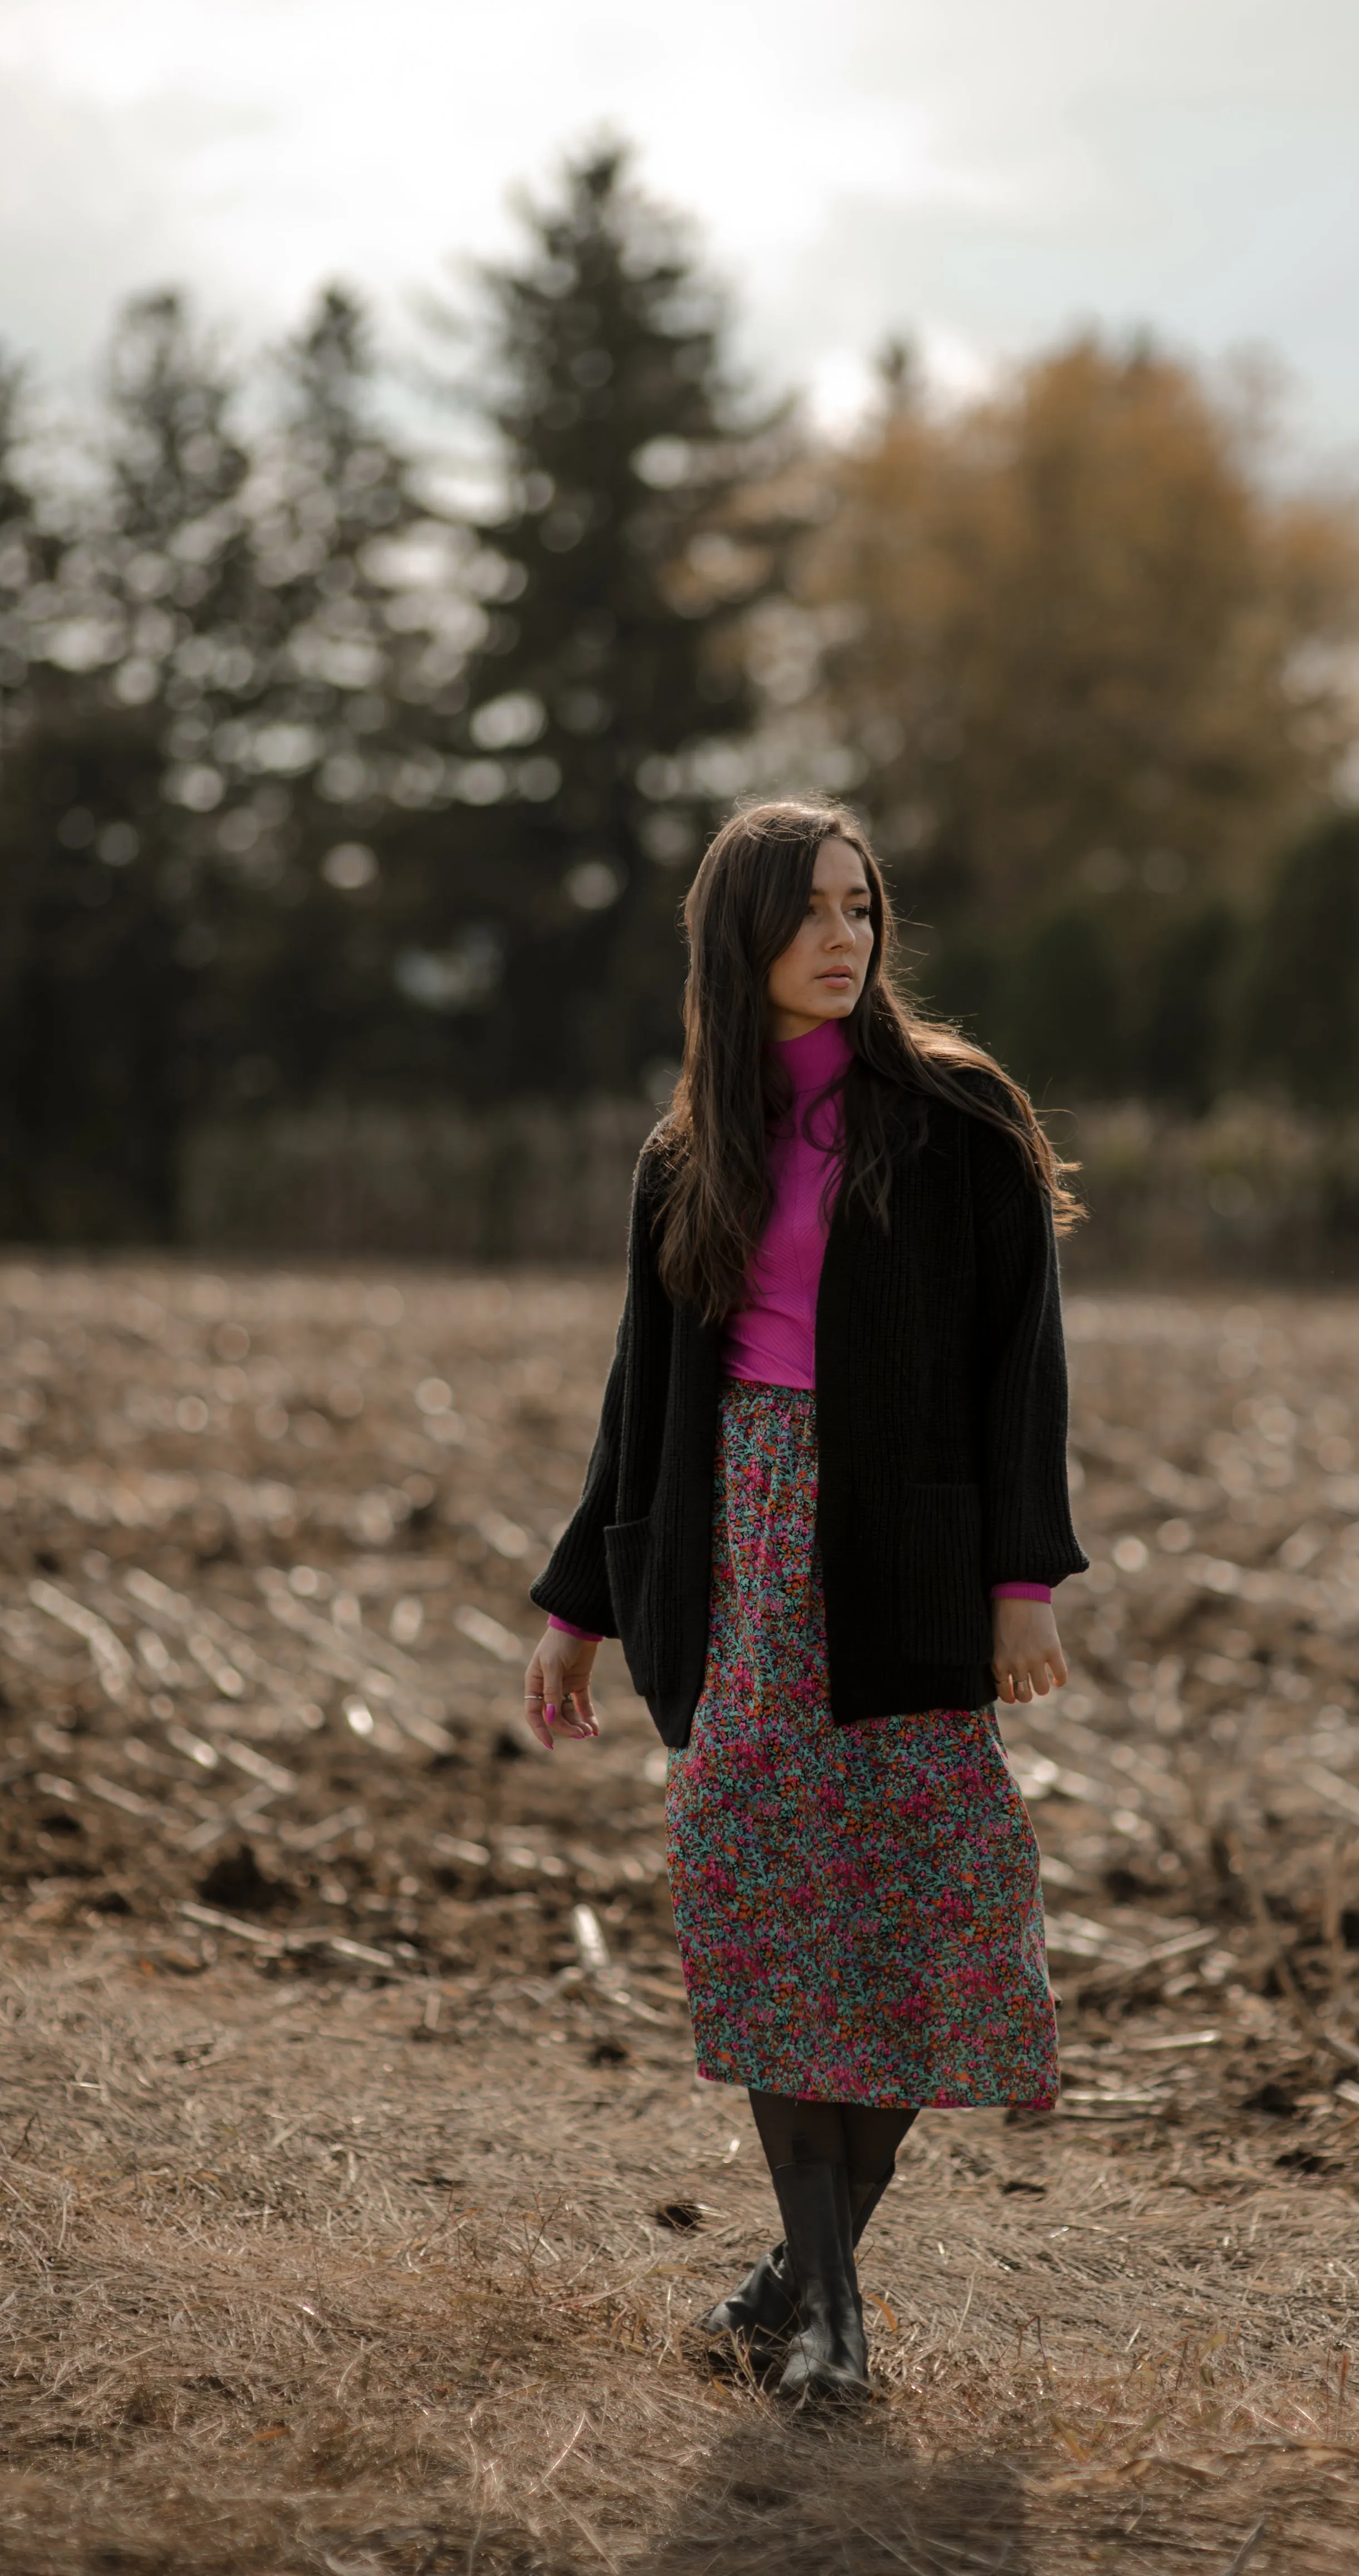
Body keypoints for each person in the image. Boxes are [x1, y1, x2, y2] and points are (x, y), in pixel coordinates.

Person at [522, 799, 1087, 2402]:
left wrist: (1023, 1580)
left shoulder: (959, 1118)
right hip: (741, 1556)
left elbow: (1020, 1365)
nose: (847, 938)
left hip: (902, 1558)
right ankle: (834, 2317)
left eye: (862, 909)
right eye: (812, 913)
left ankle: (790, 2278)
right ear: (739, 941)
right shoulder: (691, 1149)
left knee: (936, 1908)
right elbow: (645, 1393)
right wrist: (581, 1603)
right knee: (765, 1904)